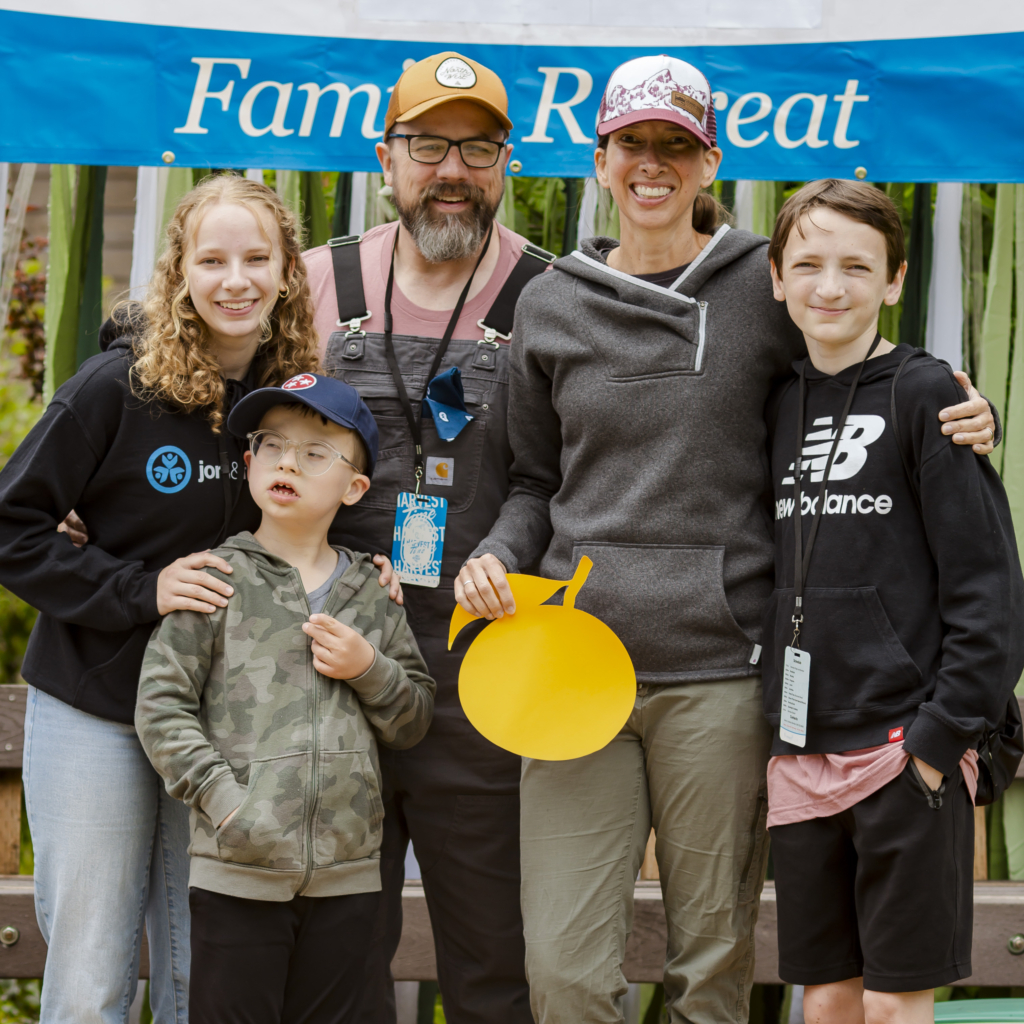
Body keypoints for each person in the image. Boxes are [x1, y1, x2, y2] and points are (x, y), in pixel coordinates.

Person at [455, 55, 998, 1024]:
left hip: (720, 673)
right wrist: (497, 550)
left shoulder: (767, 281)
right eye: (633, 144)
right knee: (566, 971)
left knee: (711, 968)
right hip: (573, 667)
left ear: (710, 159)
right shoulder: (548, 300)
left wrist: (955, 409)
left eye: (676, 144)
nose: (652, 164)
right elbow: (533, 479)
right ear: (602, 158)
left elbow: (855, 370)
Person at [0, 175, 322, 1024]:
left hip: (223, 724)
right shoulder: (114, 389)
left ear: (289, 270)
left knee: (203, 972)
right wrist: (140, 589)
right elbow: (11, 526)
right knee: (94, 971)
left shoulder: (294, 402)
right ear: (178, 272)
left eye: (257, 258)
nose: (236, 280)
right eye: (212, 260)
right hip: (98, 707)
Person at [302, 51, 549, 1023]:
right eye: (428, 144)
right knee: (334, 955)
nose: (452, 168)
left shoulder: (548, 293)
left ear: (506, 163)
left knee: (491, 961)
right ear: (386, 157)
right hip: (332, 670)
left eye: (477, 147)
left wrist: (510, 548)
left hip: (475, 673)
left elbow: (548, 476)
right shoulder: (318, 282)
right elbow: (206, 396)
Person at [762, 179, 1024, 1024]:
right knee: (828, 996)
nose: (828, 286)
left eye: (854, 266)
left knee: (893, 1004)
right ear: (775, 278)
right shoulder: (774, 405)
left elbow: (989, 592)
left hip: (903, 755)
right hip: (802, 752)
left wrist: (937, 744)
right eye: (806, 263)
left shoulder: (929, 397)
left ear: (896, 280)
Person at [136, 373, 435, 1024]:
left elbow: (413, 717)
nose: (287, 462)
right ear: (248, 463)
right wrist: (224, 800)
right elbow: (160, 707)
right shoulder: (215, 578)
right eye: (271, 445)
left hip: (348, 881)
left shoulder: (371, 593)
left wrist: (370, 670)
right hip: (237, 871)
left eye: (315, 451)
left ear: (355, 487)